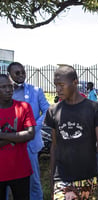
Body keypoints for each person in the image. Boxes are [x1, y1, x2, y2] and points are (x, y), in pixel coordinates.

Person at [44, 65, 98, 200]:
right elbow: (54, 147)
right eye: (56, 85)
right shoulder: (53, 110)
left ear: (75, 82)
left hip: (87, 178)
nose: (57, 89)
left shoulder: (94, 109)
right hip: (62, 178)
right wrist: (52, 180)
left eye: (61, 85)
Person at [7, 61, 49, 200]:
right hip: (7, 143)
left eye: (23, 72)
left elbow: (48, 111)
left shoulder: (35, 91)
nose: (21, 75)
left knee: (33, 180)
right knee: (5, 180)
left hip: (29, 143)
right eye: (17, 73)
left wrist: (33, 127)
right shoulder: (5, 91)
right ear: (9, 74)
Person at [0, 74, 36, 200]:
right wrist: (18, 136)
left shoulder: (24, 107)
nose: (8, 90)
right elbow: (24, 134)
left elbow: (30, 134)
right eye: (3, 87)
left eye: (10, 86)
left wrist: (2, 135)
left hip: (20, 169)